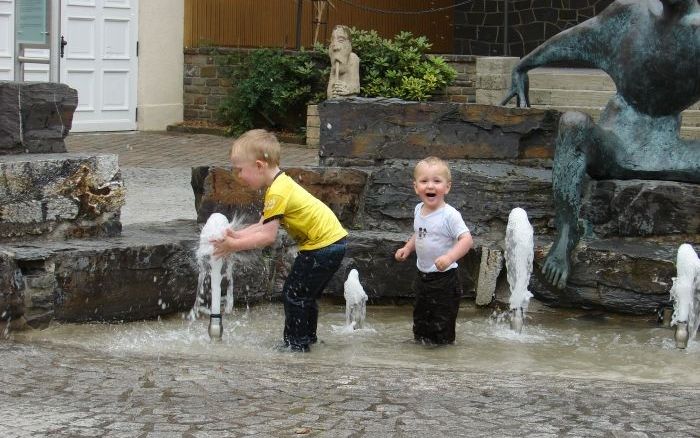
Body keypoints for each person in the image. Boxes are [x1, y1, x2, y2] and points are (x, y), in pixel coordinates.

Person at [501, 0, 700, 289]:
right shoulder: (629, 13)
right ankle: (567, 233)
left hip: (671, 153)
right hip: (616, 141)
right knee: (573, 123)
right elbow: (578, 37)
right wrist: (522, 67)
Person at [212, 129, 348, 352]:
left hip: (322, 247)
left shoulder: (276, 192)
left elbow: (268, 236)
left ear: (259, 165)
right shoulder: (280, 184)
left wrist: (232, 246)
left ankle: (296, 345)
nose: (238, 177)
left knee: (294, 294)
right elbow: (262, 224)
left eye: (239, 170)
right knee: (305, 295)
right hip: (333, 243)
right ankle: (306, 338)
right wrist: (237, 235)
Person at [394, 157, 473, 345]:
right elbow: (419, 233)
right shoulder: (418, 209)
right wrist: (407, 247)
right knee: (421, 318)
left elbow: (467, 240)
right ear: (416, 187)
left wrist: (449, 257)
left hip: (445, 278)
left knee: (442, 322)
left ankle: (443, 357)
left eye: (437, 181)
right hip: (423, 276)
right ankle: (421, 348)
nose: (430, 186)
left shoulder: (450, 215)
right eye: (424, 181)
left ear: (447, 187)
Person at [327, 25, 360, 99]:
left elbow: (356, 87)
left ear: (349, 44)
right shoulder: (334, 62)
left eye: (341, 40)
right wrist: (331, 94)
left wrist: (347, 88)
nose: (335, 47)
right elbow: (329, 91)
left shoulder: (353, 58)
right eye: (332, 40)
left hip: (348, 101)